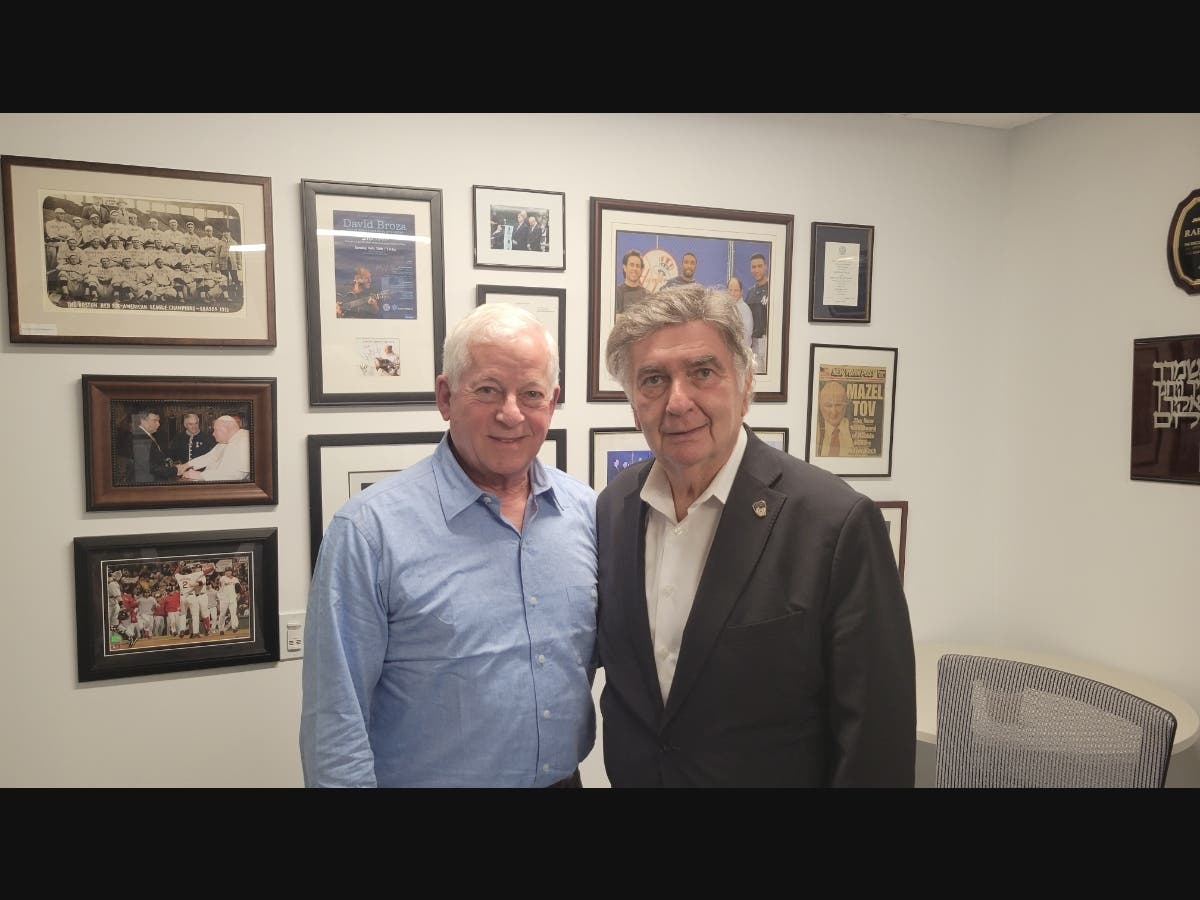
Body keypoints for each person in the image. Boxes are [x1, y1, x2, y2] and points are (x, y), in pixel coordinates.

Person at [596, 284, 915, 787]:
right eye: (653, 379)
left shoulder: (835, 525)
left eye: (703, 372)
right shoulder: (615, 508)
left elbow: (876, 739)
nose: (678, 402)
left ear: (746, 388)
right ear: (633, 402)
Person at [300, 303, 597, 787]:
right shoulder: (368, 532)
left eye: (532, 393)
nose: (511, 413)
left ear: (553, 401)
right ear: (445, 396)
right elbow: (335, 717)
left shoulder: (585, 513)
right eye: (487, 390)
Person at [178, 415, 250, 482]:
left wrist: (199, 475)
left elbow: (236, 475)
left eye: (215, 430)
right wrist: (186, 465)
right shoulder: (226, 441)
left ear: (226, 429)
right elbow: (210, 457)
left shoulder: (244, 441)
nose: (213, 434)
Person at [130, 410, 177, 484]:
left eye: (158, 421)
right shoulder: (139, 438)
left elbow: (155, 459)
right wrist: (175, 470)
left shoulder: (144, 435)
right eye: (155, 421)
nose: (158, 424)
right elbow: (150, 467)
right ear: (143, 421)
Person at [816, 380, 853, 457]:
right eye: (828, 405)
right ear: (820, 407)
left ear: (846, 406)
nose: (834, 412)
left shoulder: (855, 430)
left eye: (838, 405)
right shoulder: (815, 430)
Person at [746, 253, 769, 371]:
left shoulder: (773, 288)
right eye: (753, 267)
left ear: (766, 266)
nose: (756, 270)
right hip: (753, 343)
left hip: (769, 342)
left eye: (759, 266)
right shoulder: (750, 293)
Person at [614, 249, 648, 315]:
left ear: (642, 270)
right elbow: (613, 318)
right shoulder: (616, 292)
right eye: (631, 265)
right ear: (625, 267)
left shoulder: (647, 295)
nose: (634, 269)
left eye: (637, 266)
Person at [727, 275, 752, 342]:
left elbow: (747, 333)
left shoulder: (745, 309)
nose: (732, 293)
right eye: (730, 290)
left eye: (736, 290)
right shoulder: (725, 307)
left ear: (741, 292)